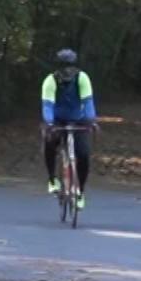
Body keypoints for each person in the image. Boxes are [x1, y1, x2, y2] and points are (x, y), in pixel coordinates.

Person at [41, 49, 97, 209]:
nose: (67, 70)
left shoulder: (82, 78)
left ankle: (80, 192)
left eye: (70, 66)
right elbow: (47, 106)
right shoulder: (50, 81)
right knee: (49, 144)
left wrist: (91, 120)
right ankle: (52, 179)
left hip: (79, 120)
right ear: (57, 68)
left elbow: (88, 102)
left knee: (84, 154)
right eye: (64, 66)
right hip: (57, 120)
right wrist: (50, 123)